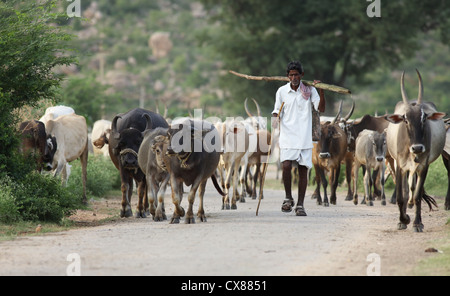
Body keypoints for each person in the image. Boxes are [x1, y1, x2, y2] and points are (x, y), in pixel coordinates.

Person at [272, 61, 325, 216]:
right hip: (287, 136)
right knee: (286, 166)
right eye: (291, 75)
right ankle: (288, 198)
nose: (294, 77)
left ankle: (300, 205)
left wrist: (321, 91)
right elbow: (276, 110)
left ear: (302, 75)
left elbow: (321, 108)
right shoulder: (282, 91)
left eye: (296, 74)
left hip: (304, 137)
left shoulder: (310, 90)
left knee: (303, 170)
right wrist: (275, 118)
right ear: (288, 76)